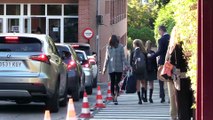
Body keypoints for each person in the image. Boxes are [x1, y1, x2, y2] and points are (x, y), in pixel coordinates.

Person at [166, 27, 193, 120]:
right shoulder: (189, 45)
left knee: (182, 102)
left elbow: (171, 61)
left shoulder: (174, 46)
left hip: (179, 77)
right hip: (191, 75)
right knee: (191, 101)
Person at [102, 35, 129, 105]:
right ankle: (116, 96)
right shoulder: (120, 47)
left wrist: (104, 68)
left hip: (111, 68)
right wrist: (128, 65)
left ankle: (113, 95)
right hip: (119, 68)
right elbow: (123, 58)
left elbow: (106, 58)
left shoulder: (108, 47)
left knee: (112, 82)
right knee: (117, 82)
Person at [148, 25, 170, 103]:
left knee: (161, 79)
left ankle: (162, 96)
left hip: (162, 62)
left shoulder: (161, 40)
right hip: (170, 62)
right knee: (169, 79)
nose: (159, 32)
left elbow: (160, 51)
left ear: (161, 30)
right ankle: (170, 98)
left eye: (159, 31)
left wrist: (151, 56)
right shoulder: (170, 38)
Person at [130, 39, 147, 104]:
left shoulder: (133, 52)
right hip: (143, 69)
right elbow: (146, 62)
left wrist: (133, 68)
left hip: (136, 70)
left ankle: (139, 99)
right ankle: (143, 95)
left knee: (138, 84)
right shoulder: (144, 51)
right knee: (143, 83)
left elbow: (131, 62)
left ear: (135, 44)